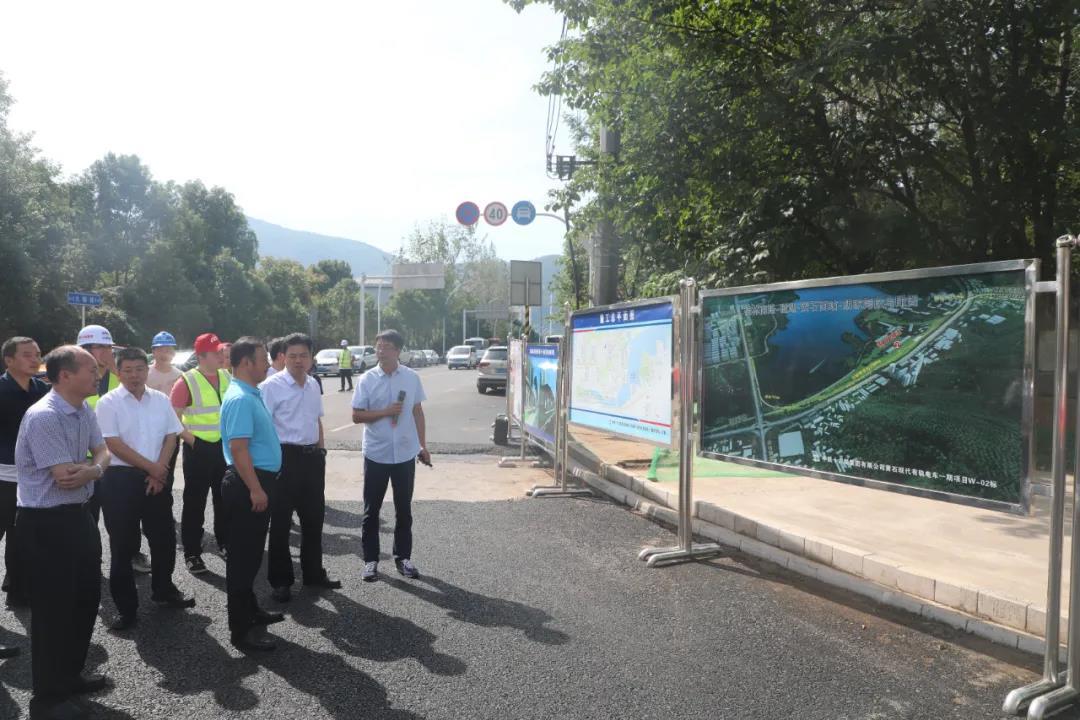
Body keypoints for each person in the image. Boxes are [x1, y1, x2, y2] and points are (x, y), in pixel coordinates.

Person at [15, 345, 111, 719]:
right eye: (91, 369)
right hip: (46, 524)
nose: (97, 374)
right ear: (66, 375)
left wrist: (93, 469)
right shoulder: (45, 416)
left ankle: (69, 677)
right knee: (53, 610)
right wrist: (92, 469)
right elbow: (65, 477)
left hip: (78, 517)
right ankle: (48, 700)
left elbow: (102, 452)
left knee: (84, 599)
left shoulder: (83, 409)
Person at [96, 347, 196, 631]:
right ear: (119, 373)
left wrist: (159, 470)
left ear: (146, 370)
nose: (134, 375)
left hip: (157, 478)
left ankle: (164, 590)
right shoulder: (108, 402)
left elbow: (171, 436)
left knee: (163, 539)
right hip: (120, 480)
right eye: (127, 370)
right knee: (123, 546)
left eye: (139, 369)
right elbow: (114, 444)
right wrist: (152, 468)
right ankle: (126, 609)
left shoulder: (160, 400)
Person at [260, 333, 339, 603]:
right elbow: (263, 427)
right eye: (292, 355)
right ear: (283, 357)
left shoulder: (313, 384)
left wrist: (321, 451)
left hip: (312, 458)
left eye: (303, 355)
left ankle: (314, 573)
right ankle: (281, 581)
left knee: (313, 519)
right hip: (283, 458)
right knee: (281, 523)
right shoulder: (271, 387)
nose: (298, 360)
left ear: (311, 358)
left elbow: (316, 420)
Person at [351, 329, 431, 582]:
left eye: (386, 347)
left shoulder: (411, 377)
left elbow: (417, 412)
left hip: (405, 454)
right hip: (376, 453)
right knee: (371, 510)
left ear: (398, 351)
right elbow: (356, 415)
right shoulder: (366, 379)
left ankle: (403, 558)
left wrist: (422, 445)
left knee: (403, 510)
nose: (380, 351)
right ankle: (371, 561)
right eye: (378, 346)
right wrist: (385, 412)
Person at [220, 337, 284, 652]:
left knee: (252, 556)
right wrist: (256, 489)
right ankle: (241, 631)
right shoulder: (241, 399)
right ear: (247, 362)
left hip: (257, 481)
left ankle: (252, 611)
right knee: (242, 561)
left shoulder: (250, 393)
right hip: (249, 484)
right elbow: (239, 449)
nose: (268, 365)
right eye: (263, 359)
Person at [0, 336, 49, 653]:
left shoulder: (41, 390)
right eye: (27, 355)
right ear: (9, 360)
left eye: (38, 354)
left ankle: (18, 589)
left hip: (31, 479)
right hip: (1, 477)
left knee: (21, 538)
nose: (35, 359)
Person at [171, 332, 231, 574]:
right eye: (216, 353)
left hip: (224, 448)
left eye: (221, 352)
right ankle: (192, 552)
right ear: (201, 356)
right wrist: (193, 441)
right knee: (195, 502)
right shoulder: (186, 381)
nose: (221, 356)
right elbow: (172, 419)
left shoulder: (226, 376)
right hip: (198, 449)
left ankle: (225, 542)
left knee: (224, 498)